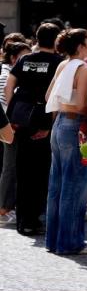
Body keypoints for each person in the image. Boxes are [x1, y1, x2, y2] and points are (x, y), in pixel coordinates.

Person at [6, 23, 64, 237]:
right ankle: (34, 220)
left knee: (22, 171)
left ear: (37, 38)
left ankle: (23, 220)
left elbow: (8, 86)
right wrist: (50, 127)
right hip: (43, 120)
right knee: (40, 173)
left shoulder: (24, 59)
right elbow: (56, 96)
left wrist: (13, 115)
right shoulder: (59, 63)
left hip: (21, 120)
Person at [41, 28, 87, 255]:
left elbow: (47, 97)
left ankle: (54, 240)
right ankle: (71, 242)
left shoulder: (63, 65)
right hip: (75, 126)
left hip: (59, 124)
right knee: (75, 186)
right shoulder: (82, 69)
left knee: (57, 184)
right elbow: (83, 104)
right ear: (81, 45)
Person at [0, 39, 30, 226]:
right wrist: (10, 123)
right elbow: (3, 102)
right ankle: (3, 209)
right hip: (8, 125)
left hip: (7, 124)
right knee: (9, 167)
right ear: (13, 58)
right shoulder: (8, 75)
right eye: (24, 57)